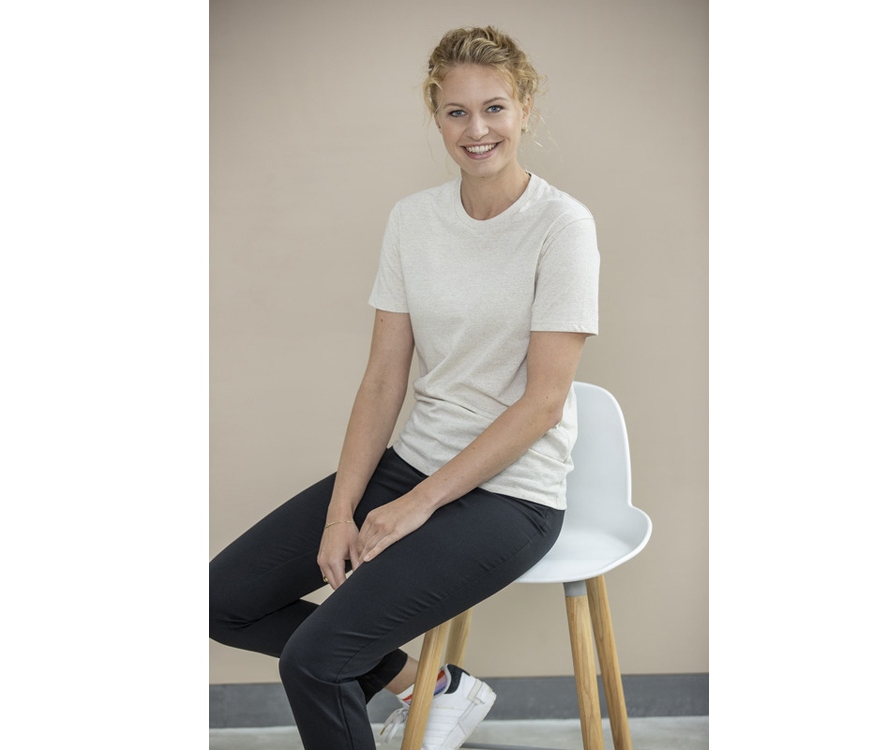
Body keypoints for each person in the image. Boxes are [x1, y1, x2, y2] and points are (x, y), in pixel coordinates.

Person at [209, 25, 600, 750]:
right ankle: (433, 685)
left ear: (524, 109)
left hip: (513, 493)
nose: (477, 130)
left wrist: (416, 506)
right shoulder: (413, 221)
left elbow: (544, 403)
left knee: (316, 661)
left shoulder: (561, 226)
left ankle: (420, 685)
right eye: (456, 112)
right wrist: (342, 513)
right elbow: (384, 377)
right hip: (415, 461)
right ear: (436, 116)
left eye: (494, 108)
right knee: (221, 600)